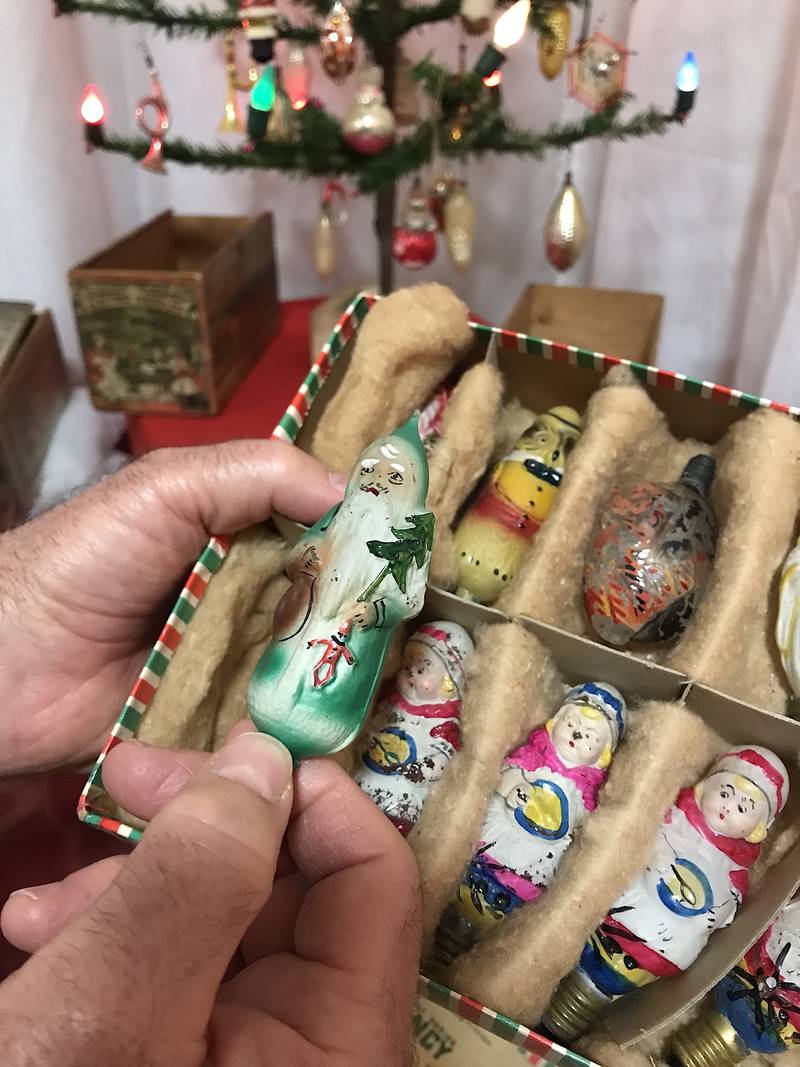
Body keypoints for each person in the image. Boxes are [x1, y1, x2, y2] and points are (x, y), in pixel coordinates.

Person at [0, 440, 422, 1066]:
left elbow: (406, 595)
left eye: (396, 476)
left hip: (347, 648)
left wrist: (375, 603)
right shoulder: (345, 517)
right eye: (374, 472)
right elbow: (307, 552)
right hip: (305, 630)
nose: (382, 482)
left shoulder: (408, 534)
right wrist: (310, 563)